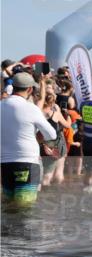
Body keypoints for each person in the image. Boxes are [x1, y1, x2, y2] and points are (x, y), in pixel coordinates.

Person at [1, 72, 57, 206]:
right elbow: (52, 134)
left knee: (9, 204)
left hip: (4, 163)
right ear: (30, 89)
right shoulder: (30, 108)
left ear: (12, 87)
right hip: (27, 161)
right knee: (25, 207)